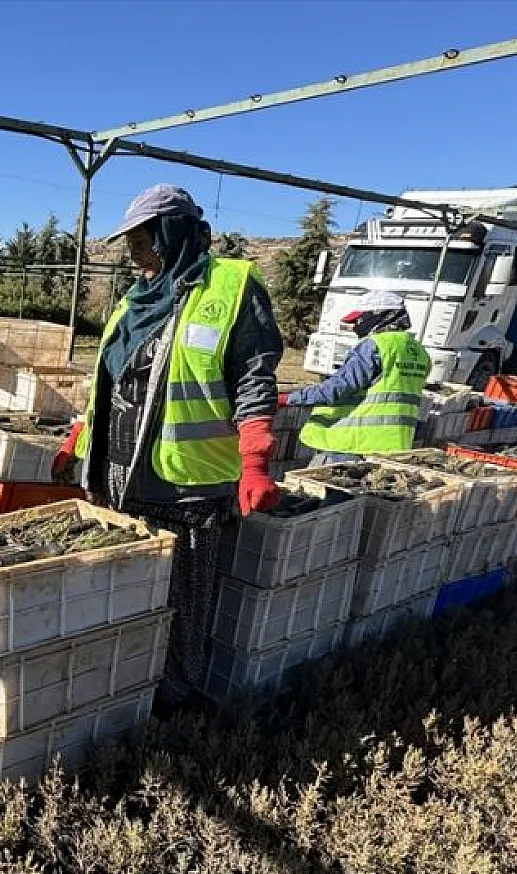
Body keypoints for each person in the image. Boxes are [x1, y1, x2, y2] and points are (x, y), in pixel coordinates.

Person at [52, 184, 283, 705]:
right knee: (124, 598)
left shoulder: (231, 288)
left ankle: (177, 708)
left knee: (183, 604)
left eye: (140, 238)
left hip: (186, 488)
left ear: (171, 231)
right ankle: (120, 696)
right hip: (118, 479)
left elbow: (253, 377)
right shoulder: (136, 301)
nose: (132, 251)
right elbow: (111, 386)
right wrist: (77, 441)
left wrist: (256, 460)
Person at [286, 290, 430, 465]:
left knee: (325, 491)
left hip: (352, 443)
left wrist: (290, 398)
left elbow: (338, 388)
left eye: (358, 320)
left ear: (378, 316)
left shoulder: (376, 346)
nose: (355, 326)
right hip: (394, 444)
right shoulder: (418, 351)